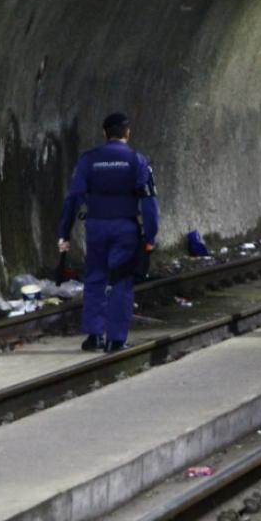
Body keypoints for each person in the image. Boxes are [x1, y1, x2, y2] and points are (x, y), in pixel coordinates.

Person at [57, 112, 160, 353]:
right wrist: (150, 236)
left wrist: (64, 232)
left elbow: (73, 199)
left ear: (105, 134)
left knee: (95, 278)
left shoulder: (89, 160)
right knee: (122, 281)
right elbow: (149, 203)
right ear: (127, 133)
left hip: (96, 227)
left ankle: (95, 336)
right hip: (125, 229)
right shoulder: (137, 161)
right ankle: (116, 339)